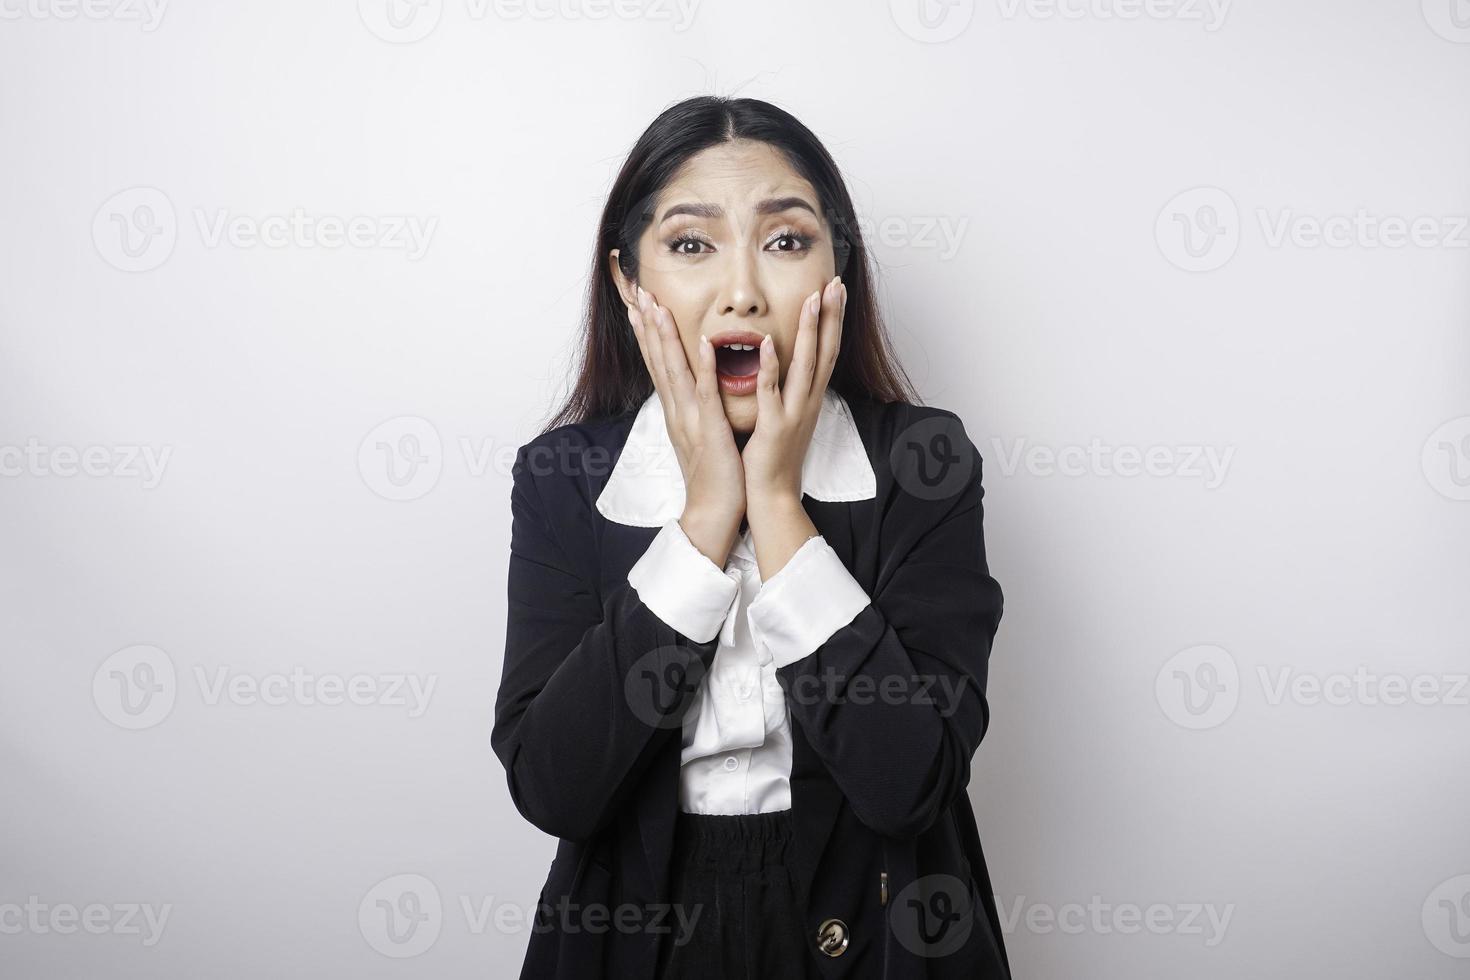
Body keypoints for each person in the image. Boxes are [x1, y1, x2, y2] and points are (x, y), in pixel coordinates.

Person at [493, 94, 1010, 980]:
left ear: (836, 274)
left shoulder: (923, 460)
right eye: (692, 245)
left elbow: (910, 784)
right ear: (629, 284)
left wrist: (774, 501)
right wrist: (703, 521)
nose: (742, 291)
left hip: (881, 929)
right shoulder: (563, 479)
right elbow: (556, 788)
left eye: (786, 241)